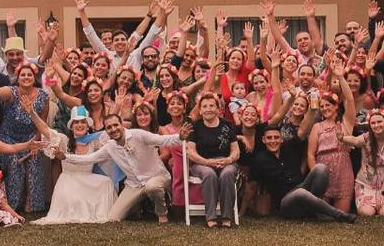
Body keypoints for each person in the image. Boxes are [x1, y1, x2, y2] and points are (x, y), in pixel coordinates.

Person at [54, 114, 191, 223]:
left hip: (157, 177)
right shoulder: (109, 147)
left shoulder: (138, 134)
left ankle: (162, 213)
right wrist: (65, 157)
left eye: (116, 125)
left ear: (122, 125)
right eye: (109, 127)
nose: (113, 129)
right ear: (106, 132)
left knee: (152, 187)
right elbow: (89, 158)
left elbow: (162, 140)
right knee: (113, 218)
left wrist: (179, 137)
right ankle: (135, 208)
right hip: (134, 184)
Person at [0, 61, 50, 213]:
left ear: (34, 77)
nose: (26, 77)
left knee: (35, 163)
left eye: (29, 74)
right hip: (9, 137)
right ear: (18, 77)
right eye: (23, 74)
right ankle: (13, 204)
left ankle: (33, 204)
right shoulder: (12, 92)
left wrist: (35, 142)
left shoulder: (43, 96)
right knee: (15, 165)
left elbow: (41, 122)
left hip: (31, 137)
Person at [249, 125, 355, 222]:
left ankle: (315, 210)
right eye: (269, 138)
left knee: (321, 168)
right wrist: (242, 211)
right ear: (263, 140)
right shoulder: (260, 160)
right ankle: (338, 215)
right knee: (300, 192)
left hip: (302, 188)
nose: (273, 141)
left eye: (276, 137)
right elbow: (251, 185)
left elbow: (304, 129)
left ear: (281, 139)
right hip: (286, 203)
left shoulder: (290, 148)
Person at [33, 105, 117, 224]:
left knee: (106, 182)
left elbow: (112, 131)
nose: (80, 125)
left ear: (88, 126)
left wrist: (117, 106)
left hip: (88, 179)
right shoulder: (64, 141)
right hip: (69, 181)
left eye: (83, 122)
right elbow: (45, 130)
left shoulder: (95, 141)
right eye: (76, 122)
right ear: (71, 127)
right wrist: (32, 112)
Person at [306, 60, 356, 213]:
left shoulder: (346, 122)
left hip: (343, 168)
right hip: (324, 169)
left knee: (341, 214)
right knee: (322, 215)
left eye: (328, 105)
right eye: (322, 106)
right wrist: (316, 174)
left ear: (336, 106)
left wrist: (340, 78)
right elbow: (310, 154)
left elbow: (350, 99)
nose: (325, 108)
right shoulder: (317, 127)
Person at [187, 92, 240, 227]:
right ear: (200, 110)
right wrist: (206, 162)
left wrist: (229, 160)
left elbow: (236, 150)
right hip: (201, 163)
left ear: (218, 109)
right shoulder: (195, 126)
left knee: (228, 173)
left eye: (212, 106)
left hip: (224, 160)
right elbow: (191, 152)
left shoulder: (227, 125)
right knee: (209, 174)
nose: (208, 109)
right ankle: (210, 217)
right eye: (204, 106)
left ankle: (226, 216)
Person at [341, 109, 384, 217]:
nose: (376, 125)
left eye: (379, 122)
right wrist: (342, 138)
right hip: (365, 183)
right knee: (367, 212)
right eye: (373, 123)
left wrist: (383, 191)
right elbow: (354, 140)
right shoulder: (366, 138)